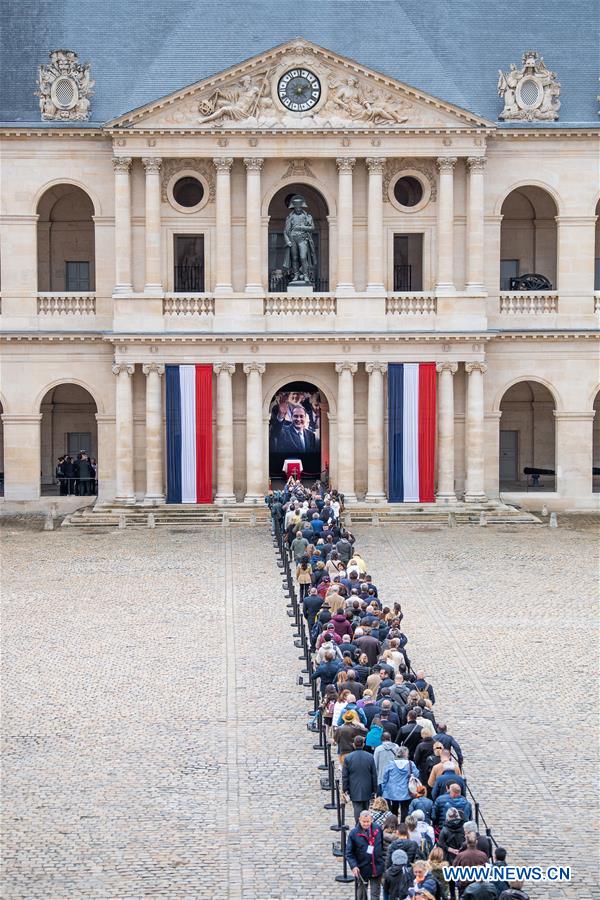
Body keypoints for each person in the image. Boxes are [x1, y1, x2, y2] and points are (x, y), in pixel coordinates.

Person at [346, 809, 385, 900]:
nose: (366, 824)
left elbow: (382, 845)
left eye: (368, 821)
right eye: (364, 822)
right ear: (359, 820)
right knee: (361, 895)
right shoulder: (354, 833)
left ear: (371, 820)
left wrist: (382, 861)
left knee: (375, 895)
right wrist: (354, 866)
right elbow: (349, 853)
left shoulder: (377, 829)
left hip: (376, 867)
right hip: (362, 868)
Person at [343, 735, 378, 822]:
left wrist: (345, 789)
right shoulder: (370, 757)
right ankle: (364, 824)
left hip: (354, 787)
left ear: (354, 744)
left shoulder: (348, 758)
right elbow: (374, 775)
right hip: (367, 787)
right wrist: (375, 789)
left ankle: (359, 825)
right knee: (366, 809)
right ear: (363, 744)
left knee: (357, 809)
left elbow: (345, 776)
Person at [381, 746, 419, 820]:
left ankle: (393, 824)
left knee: (394, 808)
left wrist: (384, 788)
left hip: (392, 791)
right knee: (405, 809)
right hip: (406, 791)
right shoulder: (410, 764)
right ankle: (403, 825)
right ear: (406, 754)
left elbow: (385, 777)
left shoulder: (391, 764)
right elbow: (416, 774)